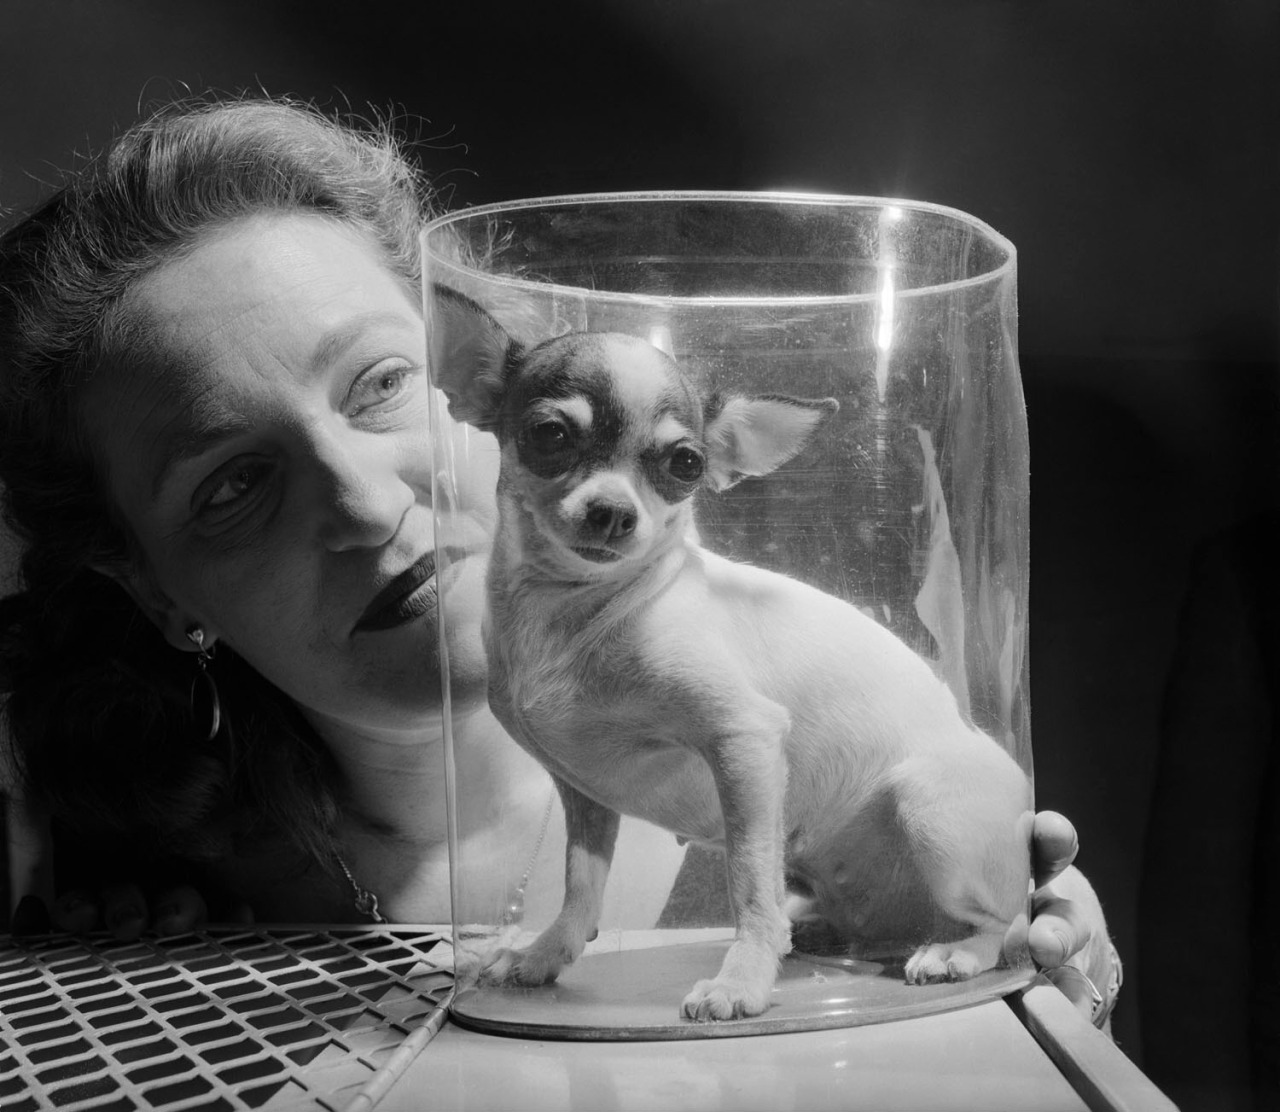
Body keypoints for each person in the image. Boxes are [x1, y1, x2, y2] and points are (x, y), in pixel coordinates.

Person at [0, 96, 1118, 1028]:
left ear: (467, 377)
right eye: (231, 484)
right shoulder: (157, 913)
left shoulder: (794, 735)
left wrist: (1052, 1014)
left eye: (381, 383)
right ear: (152, 586)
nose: (362, 498)